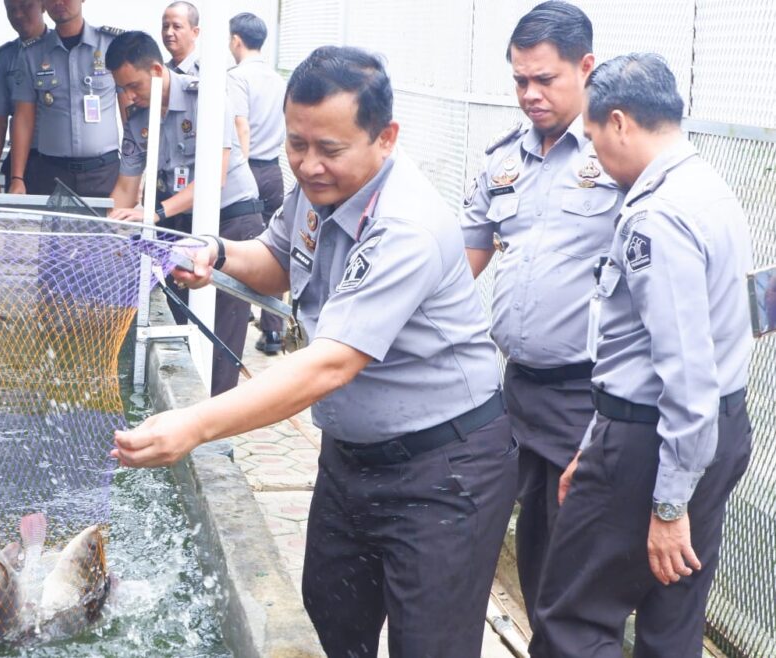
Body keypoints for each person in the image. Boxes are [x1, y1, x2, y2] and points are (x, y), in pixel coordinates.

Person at [113, 46, 517, 657]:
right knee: (331, 619)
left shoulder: (404, 225)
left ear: (386, 138)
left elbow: (329, 363)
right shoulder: (317, 191)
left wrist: (193, 425)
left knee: (430, 645)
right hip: (352, 460)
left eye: (329, 149)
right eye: (296, 145)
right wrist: (217, 253)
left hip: (444, 469)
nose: (308, 164)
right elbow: (276, 261)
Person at [528, 52, 754, 658]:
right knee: (672, 617)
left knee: (572, 621)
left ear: (620, 123)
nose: (597, 160)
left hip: (655, 441)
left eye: (596, 140)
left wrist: (668, 502)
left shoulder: (657, 216)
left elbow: (681, 369)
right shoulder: (708, 187)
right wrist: (590, 444)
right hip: (715, 429)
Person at [460, 1, 623, 622]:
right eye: (519, 80)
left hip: (588, 395)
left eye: (544, 80)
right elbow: (465, 257)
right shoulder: (504, 161)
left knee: (573, 570)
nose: (529, 94)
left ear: (586, 68)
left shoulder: (619, 154)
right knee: (530, 557)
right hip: (516, 391)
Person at [105, 31, 263, 397]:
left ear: (157, 70)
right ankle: (187, 418)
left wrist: (154, 213)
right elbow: (126, 186)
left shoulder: (203, 98)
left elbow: (214, 179)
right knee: (181, 325)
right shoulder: (137, 119)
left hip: (232, 222)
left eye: (133, 86)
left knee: (220, 337)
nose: (128, 97)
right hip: (182, 225)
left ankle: (215, 436)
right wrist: (111, 230)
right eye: (121, 90)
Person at [6, 0, 124, 197]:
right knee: (52, 228)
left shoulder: (111, 45)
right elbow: (23, 119)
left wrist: (134, 176)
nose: (58, 2)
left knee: (104, 229)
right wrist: (17, 178)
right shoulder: (31, 53)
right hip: (51, 173)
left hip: (104, 173)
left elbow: (130, 113)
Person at [227, 12, 286, 355]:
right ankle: (273, 331)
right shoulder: (278, 80)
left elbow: (240, 126)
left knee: (242, 247)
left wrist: (241, 172)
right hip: (273, 171)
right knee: (273, 250)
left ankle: (238, 313)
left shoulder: (237, 77)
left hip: (248, 171)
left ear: (236, 40)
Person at [0, 0, 48, 193]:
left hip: (61, 162)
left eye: (26, 6)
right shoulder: (5, 57)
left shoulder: (60, 49)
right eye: (11, 10)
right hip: (24, 163)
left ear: (43, 6)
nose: (18, 15)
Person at [162, 1, 200, 76]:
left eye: (177, 26)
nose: (168, 33)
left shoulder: (207, 72)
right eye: (165, 26)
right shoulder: (161, 73)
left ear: (195, 32)